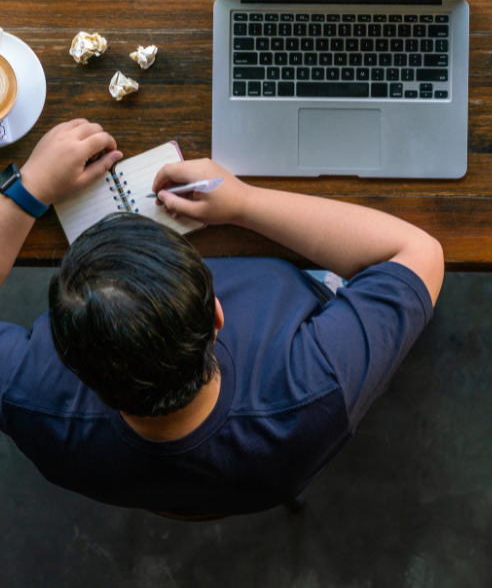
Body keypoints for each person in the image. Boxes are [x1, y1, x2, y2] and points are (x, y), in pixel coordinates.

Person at [0, 119, 444, 519]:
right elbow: (419, 253)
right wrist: (245, 204)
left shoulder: (30, 400)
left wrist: (29, 191)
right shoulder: (315, 388)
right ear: (216, 316)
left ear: (71, 361)